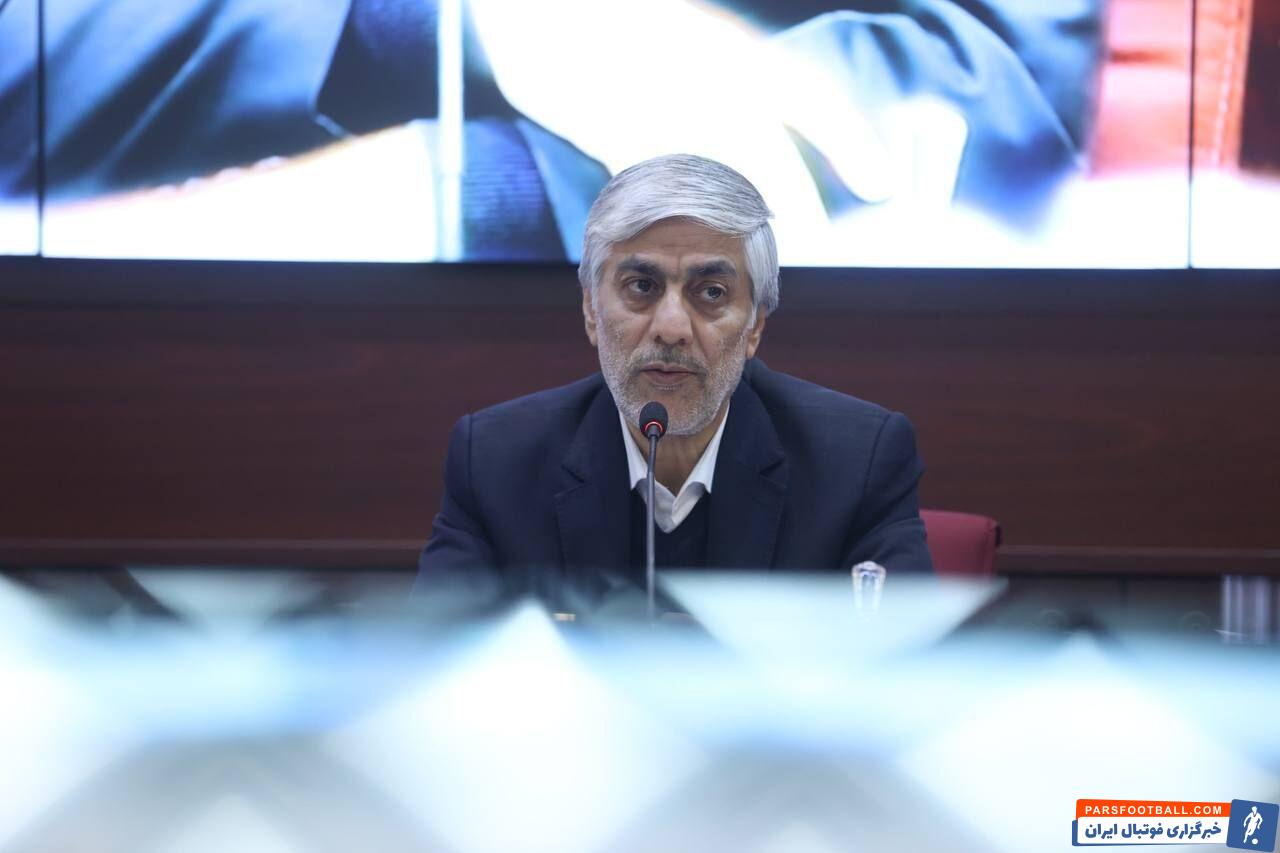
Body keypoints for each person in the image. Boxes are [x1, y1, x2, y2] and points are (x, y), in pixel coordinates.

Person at [416, 154, 932, 607]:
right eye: (641, 286)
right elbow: (435, 658)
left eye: (711, 293)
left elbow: (906, 662)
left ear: (755, 325)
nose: (671, 328)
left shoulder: (856, 462)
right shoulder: (496, 462)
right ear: (592, 311)